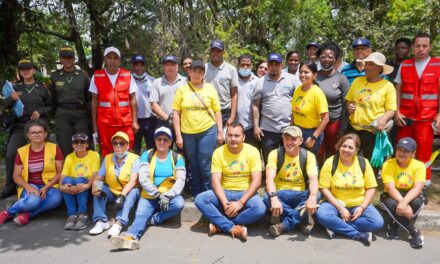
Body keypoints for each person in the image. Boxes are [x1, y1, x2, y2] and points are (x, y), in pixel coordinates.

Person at [110, 127, 185, 250]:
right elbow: (143, 179)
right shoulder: (147, 155)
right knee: (140, 214)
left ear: (171, 142)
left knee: (179, 203)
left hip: (168, 195)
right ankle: (131, 238)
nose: (162, 142)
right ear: (155, 140)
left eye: (165, 139)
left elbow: (181, 180)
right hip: (149, 195)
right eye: (159, 139)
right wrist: (158, 194)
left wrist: (168, 195)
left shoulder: (178, 158)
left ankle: (154, 219)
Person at [195, 123, 265, 241]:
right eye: (230, 135)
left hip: (244, 192)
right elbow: (215, 181)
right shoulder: (218, 152)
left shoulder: (253, 151)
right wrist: (225, 204)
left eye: (237, 135)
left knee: (260, 208)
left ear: (243, 137)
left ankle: (219, 225)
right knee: (200, 199)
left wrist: (240, 203)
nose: (233, 139)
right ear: (226, 136)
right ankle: (231, 227)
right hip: (225, 192)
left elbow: (257, 181)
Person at [316, 133, 384, 246]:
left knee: (377, 222)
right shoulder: (330, 162)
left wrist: (362, 208)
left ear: (356, 150)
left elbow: (371, 188)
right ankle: (357, 234)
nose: (346, 150)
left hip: (358, 203)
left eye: (351, 147)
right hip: (335, 203)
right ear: (339, 146)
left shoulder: (364, 163)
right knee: (322, 215)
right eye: (344, 146)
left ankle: (335, 226)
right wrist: (340, 208)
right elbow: (324, 189)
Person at [1, 59, 53, 199]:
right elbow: (3, 107)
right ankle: (10, 186)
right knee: (12, 153)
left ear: (34, 70)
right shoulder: (14, 88)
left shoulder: (42, 87)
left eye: (28, 68)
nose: (26, 71)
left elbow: (51, 106)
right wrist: (10, 99)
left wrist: (41, 111)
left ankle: (45, 184)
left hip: (38, 127)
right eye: (22, 69)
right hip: (20, 126)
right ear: (20, 72)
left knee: (44, 156)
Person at [394, 33, 440, 187]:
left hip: (427, 118)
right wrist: (396, 111)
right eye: (418, 46)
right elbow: (398, 90)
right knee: (403, 150)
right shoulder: (405, 65)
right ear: (413, 47)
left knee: (424, 153)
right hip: (405, 118)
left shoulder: (438, 64)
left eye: (424, 46)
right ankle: (403, 182)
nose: (421, 49)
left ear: (430, 47)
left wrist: (439, 115)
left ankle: (423, 184)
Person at [173, 59, 224, 197]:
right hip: (187, 133)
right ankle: (196, 192)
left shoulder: (210, 89)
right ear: (189, 72)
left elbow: (217, 111)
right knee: (193, 163)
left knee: (204, 162)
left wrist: (220, 132)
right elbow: (176, 114)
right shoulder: (182, 90)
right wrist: (178, 135)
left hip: (207, 130)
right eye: (194, 71)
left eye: (200, 72)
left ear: (204, 74)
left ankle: (209, 192)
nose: (197, 74)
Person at [0, 119, 63, 226]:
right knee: (33, 201)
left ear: (45, 134)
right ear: (28, 135)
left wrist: (47, 187)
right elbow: (16, 175)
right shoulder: (22, 151)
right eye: (33, 132)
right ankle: (8, 212)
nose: (37, 134)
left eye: (40, 132)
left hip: (50, 185)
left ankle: (27, 215)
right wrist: (27, 187)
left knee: (56, 199)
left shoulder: (54, 148)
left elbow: (60, 172)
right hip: (30, 184)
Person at [264, 126, 320, 237]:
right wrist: (274, 198)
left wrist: (312, 197)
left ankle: (284, 224)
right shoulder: (275, 154)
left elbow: (313, 179)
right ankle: (300, 219)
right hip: (280, 193)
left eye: (293, 139)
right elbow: (269, 179)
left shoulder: (309, 156)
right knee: (267, 197)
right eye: (286, 138)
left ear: (301, 141)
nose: (289, 142)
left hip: (300, 194)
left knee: (317, 195)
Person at [89, 47, 139, 156]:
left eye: (115, 58)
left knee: (128, 150)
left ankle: (126, 173)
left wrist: (134, 120)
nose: (112, 60)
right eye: (109, 57)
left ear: (119, 60)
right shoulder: (97, 76)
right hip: (105, 123)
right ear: (105, 60)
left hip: (125, 122)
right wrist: (94, 124)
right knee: (107, 152)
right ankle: (110, 173)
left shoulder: (127, 75)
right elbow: (94, 101)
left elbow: (133, 99)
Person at [345, 52, 396, 160]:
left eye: (371, 64)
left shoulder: (387, 86)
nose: (367, 67)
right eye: (366, 63)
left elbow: (391, 109)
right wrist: (350, 106)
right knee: (349, 160)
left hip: (372, 132)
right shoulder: (357, 81)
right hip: (354, 129)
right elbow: (349, 100)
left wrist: (384, 118)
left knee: (371, 165)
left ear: (379, 68)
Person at [252, 53, 301, 163]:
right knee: (270, 161)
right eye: (271, 64)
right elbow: (255, 105)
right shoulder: (260, 82)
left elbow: (300, 99)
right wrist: (256, 126)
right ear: (268, 65)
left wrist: (294, 123)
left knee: (289, 159)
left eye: (276, 64)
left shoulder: (292, 80)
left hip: (288, 127)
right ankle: (270, 180)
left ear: (281, 65)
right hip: (268, 130)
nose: (274, 67)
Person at [89, 132, 140, 237]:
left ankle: (119, 223)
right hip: (112, 191)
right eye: (115, 143)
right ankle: (101, 221)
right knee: (100, 188)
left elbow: (133, 181)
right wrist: (96, 188)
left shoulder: (135, 159)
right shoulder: (108, 158)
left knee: (134, 191)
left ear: (127, 145)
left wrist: (122, 196)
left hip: (128, 191)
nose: (118, 146)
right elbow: (99, 177)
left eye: (121, 143)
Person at [380, 137, 426, 249]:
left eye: (406, 151)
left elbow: (418, 188)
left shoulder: (419, 166)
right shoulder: (388, 164)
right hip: (392, 194)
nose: (401, 153)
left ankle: (394, 227)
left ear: (413, 153)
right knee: (393, 204)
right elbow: (390, 188)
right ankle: (414, 232)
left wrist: (405, 202)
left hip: (410, 194)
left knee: (417, 203)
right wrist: (402, 202)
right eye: (399, 149)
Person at [50, 45, 91, 157]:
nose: (67, 60)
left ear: (74, 59)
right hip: (62, 114)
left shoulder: (83, 75)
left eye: (70, 58)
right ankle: (67, 172)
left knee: (82, 144)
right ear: (60, 59)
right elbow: (52, 97)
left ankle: (83, 172)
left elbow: (89, 97)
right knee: (65, 145)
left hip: (80, 114)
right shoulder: (54, 76)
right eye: (64, 58)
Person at [316, 42, 350, 159]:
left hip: (334, 123)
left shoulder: (341, 78)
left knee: (333, 152)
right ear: (319, 58)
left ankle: (331, 175)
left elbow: (346, 105)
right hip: (316, 122)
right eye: (323, 57)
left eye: (330, 57)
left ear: (335, 59)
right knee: (317, 152)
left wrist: (343, 128)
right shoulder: (314, 77)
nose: (326, 59)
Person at [60, 133, 100, 230]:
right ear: (72, 145)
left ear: (87, 144)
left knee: (80, 179)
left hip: (88, 185)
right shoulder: (69, 157)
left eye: (82, 142)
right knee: (67, 180)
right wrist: (61, 186)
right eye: (76, 142)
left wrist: (87, 185)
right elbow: (63, 174)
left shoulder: (94, 155)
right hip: (74, 186)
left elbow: (95, 173)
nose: (79, 144)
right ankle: (72, 215)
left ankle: (83, 214)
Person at [291, 61, 329, 155]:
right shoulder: (298, 89)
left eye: (306, 72)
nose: (303, 74)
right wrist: (291, 129)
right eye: (301, 72)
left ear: (314, 75)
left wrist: (313, 137)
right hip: (297, 131)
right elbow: (293, 112)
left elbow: (326, 118)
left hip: (311, 133)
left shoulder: (317, 93)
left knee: (309, 162)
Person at [150, 55, 187, 142]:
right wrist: (168, 119)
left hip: (183, 122)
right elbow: (153, 104)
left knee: (183, 150)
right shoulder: (157, 82)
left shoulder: (185, 81)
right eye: (167, 65)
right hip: (163, 122)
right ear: (163, 67)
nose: (170, 67)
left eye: (173, 65)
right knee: (163, 150)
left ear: (178, 67)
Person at [205, 39, 239, 126]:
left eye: (218, 51)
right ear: (210, 52)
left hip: (225, 111)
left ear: (223, 52)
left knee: (224, 138)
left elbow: (234, 94)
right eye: (213, 51)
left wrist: (232, 115)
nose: (215, 53)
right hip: (207, 110)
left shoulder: (231, 69)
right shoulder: (203, 68)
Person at [131, 54, 156, 154]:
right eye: (136, 65)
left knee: (152, 147)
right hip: (134, 119)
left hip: (150, 119)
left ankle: (151, 167)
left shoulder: (152, 80)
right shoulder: (128, 80)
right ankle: (135, 168)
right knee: (135, 148)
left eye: (142, 65)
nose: (139, 67)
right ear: (132, 66)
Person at [236, 54, 260, 149]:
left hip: (251, 127)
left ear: (252, 66)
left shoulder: (257, 81)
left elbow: (258, 105)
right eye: (243, 65)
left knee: (251, 154)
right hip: (234, 127)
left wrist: (256, 126)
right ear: (238, 65)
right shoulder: (233, 80)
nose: (245, 67)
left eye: (248, 65)